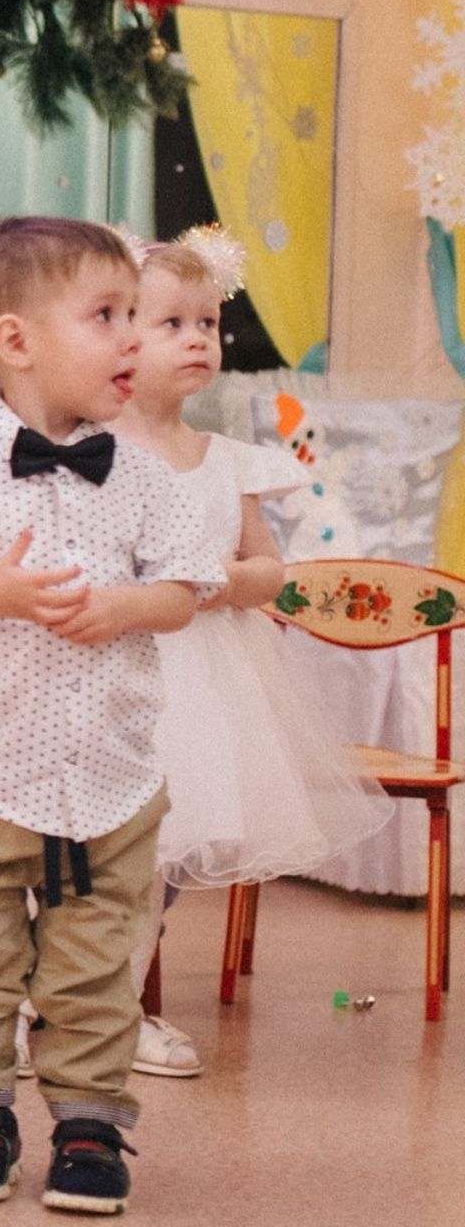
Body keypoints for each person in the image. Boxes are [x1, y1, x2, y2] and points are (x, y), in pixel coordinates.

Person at [0, 215, 222, 1217]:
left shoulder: (144, 477)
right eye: (106, 315)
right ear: (16, 340)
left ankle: (88, 1123)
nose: (131, 338)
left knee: (91, 962)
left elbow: (188, 589)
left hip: (106, 777)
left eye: (135, 316)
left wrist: (120, 607)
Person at [112, 231, 392, 1078]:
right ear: (118, 335)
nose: (200, 338)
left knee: (158, 855)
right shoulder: (98, 452)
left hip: (204, 681)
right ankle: (25, 1002)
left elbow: (267, 567)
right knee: (76, 850)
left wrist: (229, 580)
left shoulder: (225, 459)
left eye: (208, 322)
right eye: (173, 323)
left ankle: (116, 1014)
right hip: (119, 673)